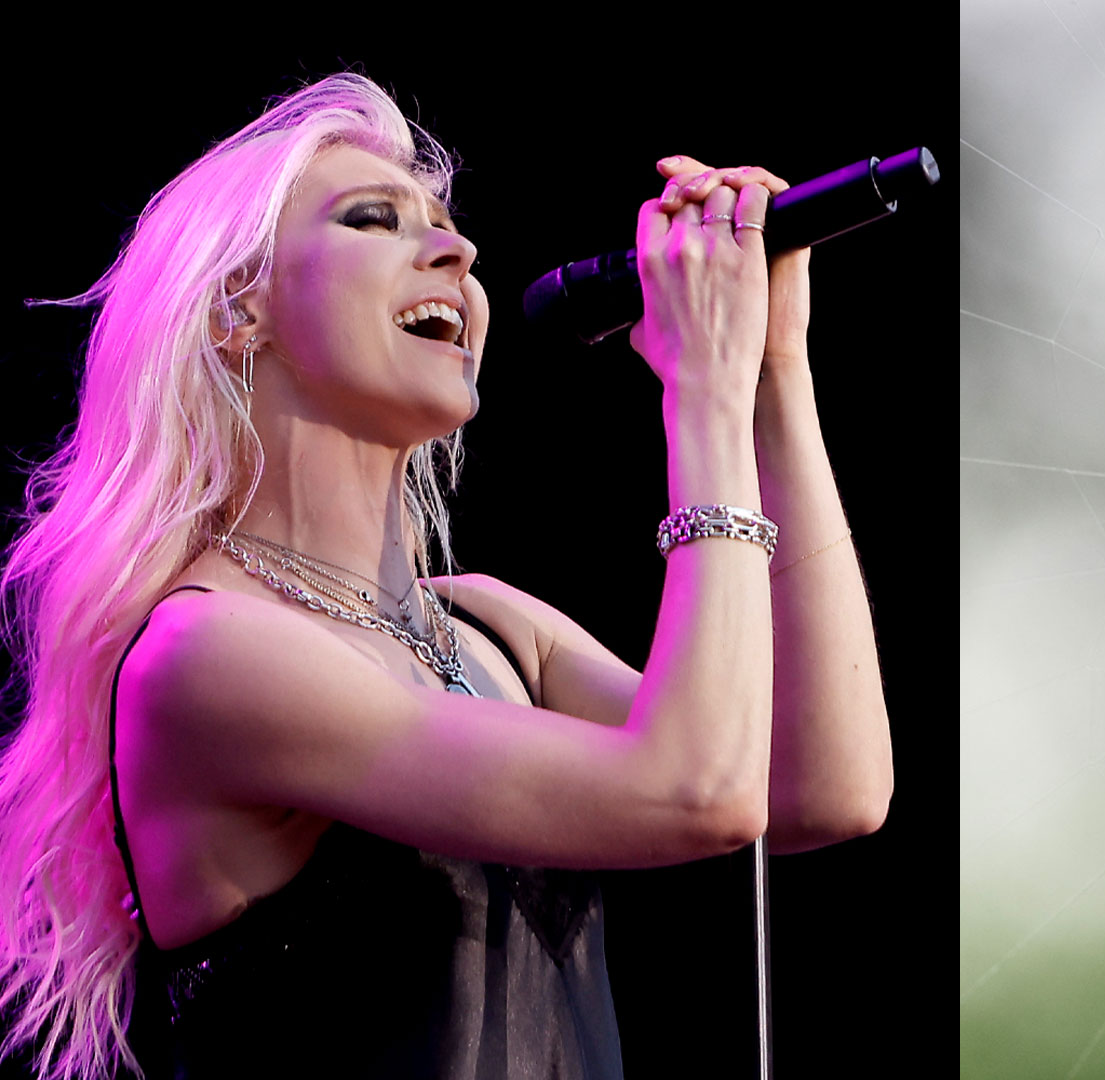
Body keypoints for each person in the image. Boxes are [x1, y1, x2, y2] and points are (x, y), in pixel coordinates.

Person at [0, 73, 891, 1079]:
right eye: (373, 219)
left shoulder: (491, 627)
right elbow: (698, 794)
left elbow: (824, 788)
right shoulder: (205, 651)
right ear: (235, 312)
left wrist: (773, 374)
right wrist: (703, 395)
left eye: (449, 227)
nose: (457, 253)